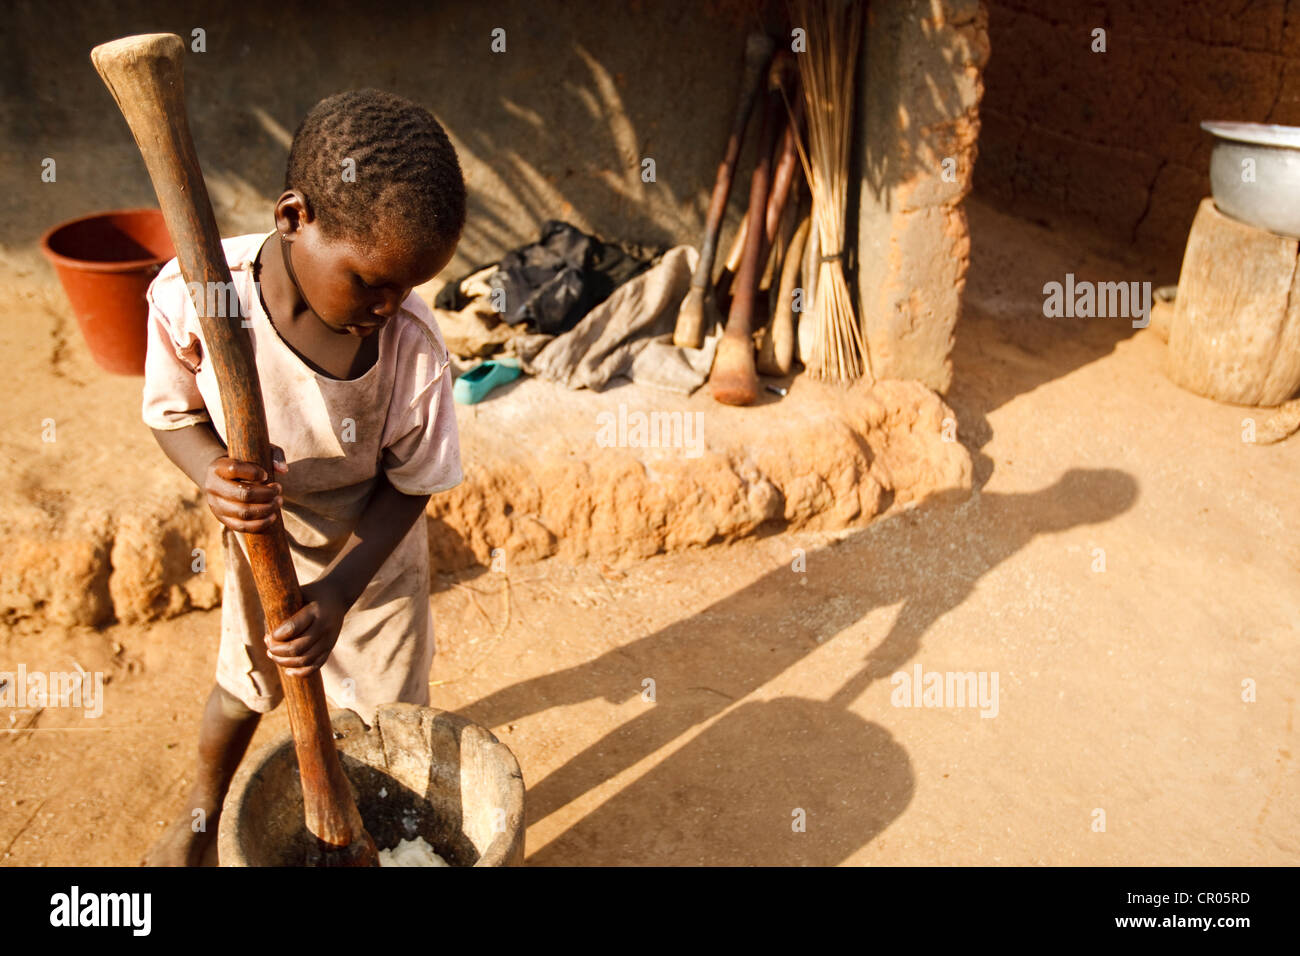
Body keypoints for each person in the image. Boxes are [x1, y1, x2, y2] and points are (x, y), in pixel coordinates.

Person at [139, 89, 466, 865]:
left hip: (372, 559)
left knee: (381, 719)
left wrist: (341, 591)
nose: (388, 306)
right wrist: (211, 472)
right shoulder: (200, 299)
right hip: (265, 541)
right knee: (245, 685)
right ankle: (200, 816)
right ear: (295, 218)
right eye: (369, 281)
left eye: (407, 288)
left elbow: (412, 483)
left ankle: (370, 836)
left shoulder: (414, 349)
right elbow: (172, 415)